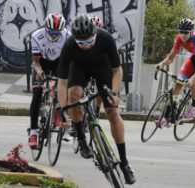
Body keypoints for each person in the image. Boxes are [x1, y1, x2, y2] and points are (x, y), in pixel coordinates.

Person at [57, 14, 136, 185]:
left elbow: (117, 70)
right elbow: (62, 83)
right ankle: (81, 138)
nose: (85, 46)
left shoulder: (105, 38)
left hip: (103, 68)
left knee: (113, 113)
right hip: (79, 69)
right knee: (74, 95)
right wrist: (63, 110)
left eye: (89, 42)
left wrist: (114, 94)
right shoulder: (69, 45)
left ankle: (124, 163)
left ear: (95, 34)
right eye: (81, 43)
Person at [157, 17, 195, 121]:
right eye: (181, 32)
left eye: (186, 32)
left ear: (191, 32)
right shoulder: (179, 39)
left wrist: (192, 78)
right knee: (179, 83)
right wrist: (161, 64)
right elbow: (171, 57)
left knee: (194, 82)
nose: (183, 34)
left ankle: (194, 106)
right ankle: (169, 114)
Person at [28, 12, 71, 148]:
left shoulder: (68, 36)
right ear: (46, 27)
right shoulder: (36, 36)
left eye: (57, 33)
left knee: (62, 88)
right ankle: (33, 132)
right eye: (51, 32)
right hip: (42, 62)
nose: (53, 35)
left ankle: (59, 114)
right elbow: (35, 62)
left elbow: (69, 62)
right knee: (37, 94)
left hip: (59, 62)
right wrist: (40, 72)